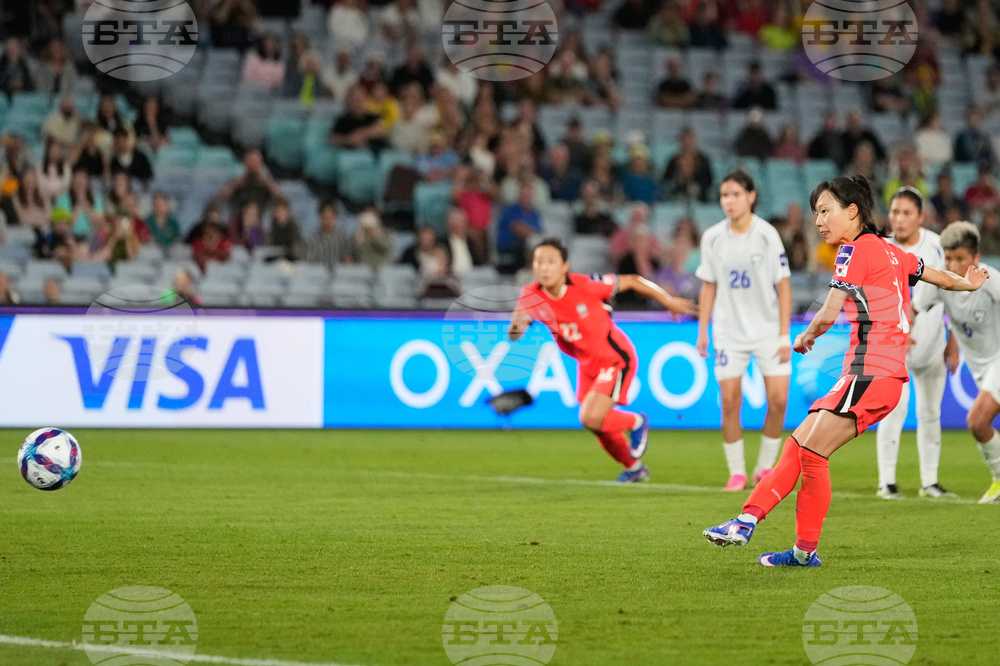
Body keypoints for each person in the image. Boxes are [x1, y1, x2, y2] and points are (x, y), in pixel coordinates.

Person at [704, 176, 989, 567]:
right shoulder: (893, 251)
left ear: (852, 211)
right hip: (877, 375)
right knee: (799, 445)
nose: (818, 221)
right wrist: (968, 284)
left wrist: (805, 336)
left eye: (825, 211)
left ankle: (768, 532)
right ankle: (772, 534)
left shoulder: (851, 252)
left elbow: (829, 310)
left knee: (811, 451)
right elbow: (939, 276)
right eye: (816, 213)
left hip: (870, 372)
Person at [509, 237, 696, 482]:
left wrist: (668, 300)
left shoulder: (585, 284)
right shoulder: (531, 295)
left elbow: (632, 280)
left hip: (614, 357)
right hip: (587, 364)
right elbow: (515, 333)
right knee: (597, 425)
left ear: (564, 266)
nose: (544, 268)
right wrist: (517, 327)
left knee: (590, 416)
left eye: (550, 262)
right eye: (539, 262)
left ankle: (637, 421)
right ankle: (635, 468)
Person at [696, 171, 792, 491]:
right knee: (729, 400)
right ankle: (736, 472)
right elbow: (709, 285)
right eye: (724, 195)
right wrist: (703, 330)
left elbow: (784, 286)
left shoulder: (766, 235)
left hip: (768, 330)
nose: (729, 201)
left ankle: (764, 467)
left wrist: (783, 334)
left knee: (778, 401)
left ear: (751, 196)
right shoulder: (712, 238)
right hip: (728, 332)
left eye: (736, 194)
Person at [876, 188, 957, 500]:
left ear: (921, 216)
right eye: (895, 212)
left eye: (907, 213)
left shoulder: (937, 247)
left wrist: (952, 343)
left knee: (930, 413)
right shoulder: (881, 247)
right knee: (893, 410)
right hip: (892, 346)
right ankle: (887, 482)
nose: (899, 219)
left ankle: (930, 482)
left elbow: (950, 295)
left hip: (932, 342)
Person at [913, 222, 1000, 504]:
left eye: (960, 259)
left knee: (977, 420)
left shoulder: (992, 283)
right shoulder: (941, 281)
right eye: (948, 258)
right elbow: (913, 309)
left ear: (976, 258)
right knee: (980, 425)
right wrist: (900, 334)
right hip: (979, 367)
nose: (952, 265)